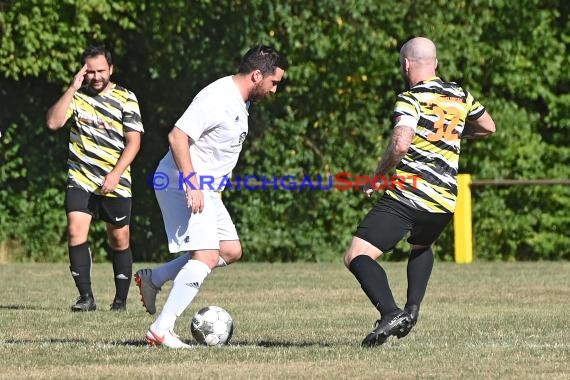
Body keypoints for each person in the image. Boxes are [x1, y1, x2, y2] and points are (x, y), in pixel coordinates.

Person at [344, 37, 495, 347]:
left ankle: (390, 313)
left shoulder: (411, 98)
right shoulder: (460, 95)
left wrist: (376, 177)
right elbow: (488, 127)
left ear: (406, 64)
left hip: (409, 194)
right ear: (435, 64)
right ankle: (411, 312)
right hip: (445, 200)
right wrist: (451, 133)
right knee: (421, 246)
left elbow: (400, 143)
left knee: (357, 256)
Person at [135, 44, 288, 348]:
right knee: (205, 255)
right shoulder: (218, 97)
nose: (274, 91)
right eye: (273, 83)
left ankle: (154, 278)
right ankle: (161, 329)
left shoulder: (242, 101)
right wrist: (192, 184)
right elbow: (177, 135)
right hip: (183, 182)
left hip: (206, 188)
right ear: (257, 75)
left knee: (229, 250)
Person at [46, 44, 144, 312]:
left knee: (119, 240)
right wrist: (72, 88)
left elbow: (134, 143)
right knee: (75, 232)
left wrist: (115, 174)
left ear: (111, 69)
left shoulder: (126, 98)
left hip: (116, 181)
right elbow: (54, 123)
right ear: (83, 72)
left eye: (101, 70)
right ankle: (86, 298)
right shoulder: (77, 98)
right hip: (81, 178)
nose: (96, 76)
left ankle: (120, 301)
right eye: (90, 71)